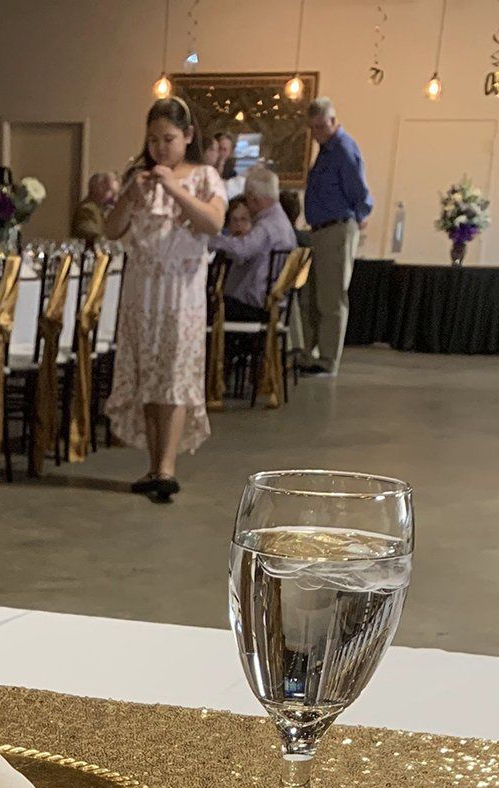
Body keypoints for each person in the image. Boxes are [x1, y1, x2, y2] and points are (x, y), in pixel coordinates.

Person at [105, 94, 226, 501]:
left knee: (174, 374)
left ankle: (167, 467)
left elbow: (213, 222)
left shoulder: (204, 176)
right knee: (149, 375)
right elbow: (111, 230)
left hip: (181, 293)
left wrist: (175, 189)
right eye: (153, 140)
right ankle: (153, 464)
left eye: (168, 139)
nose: (160, 148)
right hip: (142, 292)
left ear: (188, 136)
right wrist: (129, 196)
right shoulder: (138, 178)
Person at [300, 95, 371, 376]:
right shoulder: (325, 150)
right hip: (320, 230)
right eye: (313, 128)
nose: (316, 133)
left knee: (331, 298)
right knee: (312, 296)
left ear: (332, 121)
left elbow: (359, 191)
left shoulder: (343, 148)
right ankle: (309, 353)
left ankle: (328, 359)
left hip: (337, 228)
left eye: (320, 127)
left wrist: (359, 217)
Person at [210, 168, 298, 319]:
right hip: (273, 303)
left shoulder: (267, 227)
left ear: (254, 199)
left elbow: (241, 250)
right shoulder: (282, 223)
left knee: (206, 304)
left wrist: (211, 240)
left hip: (253, 306)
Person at [72, 171, 118, 242]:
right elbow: (90, 233)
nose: (112, 196)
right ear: (95, 188)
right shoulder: (87, 209)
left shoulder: (100, 208)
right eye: (109, 190)